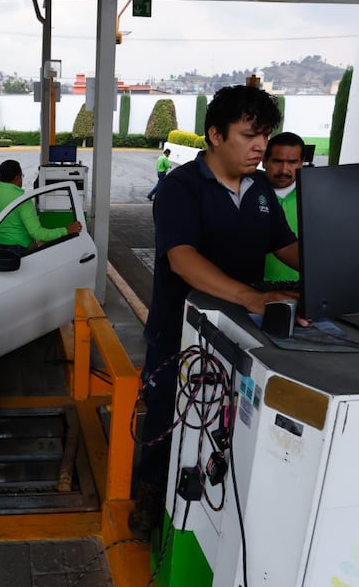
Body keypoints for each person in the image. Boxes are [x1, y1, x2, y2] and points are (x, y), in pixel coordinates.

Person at [128, 85, 302, 539]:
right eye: (249, 135)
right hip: (179, 333)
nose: (261, 147)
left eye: (264, 135)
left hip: (241, 332)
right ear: (215, 135)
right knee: (169, 418)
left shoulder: (262, 187)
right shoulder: (181, 187)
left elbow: (285, 246)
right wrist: (250, 296)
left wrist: (338, 268)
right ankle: (149, 490)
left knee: (225, 420)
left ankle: (209, 501)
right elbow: (181, 258)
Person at [0, 159, 82, 253]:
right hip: (18, 253)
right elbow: (37, 233)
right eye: (22, 176)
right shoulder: (22, 200)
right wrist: (66, 230)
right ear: (17, 177)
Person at [263, 132, 305, 282]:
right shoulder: (247, 194)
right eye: (277, 161)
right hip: (255, 288)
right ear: (264, 161)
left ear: (301, 163)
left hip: (301, 287)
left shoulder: (312, 197)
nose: (284, 170)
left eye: (292, 162)